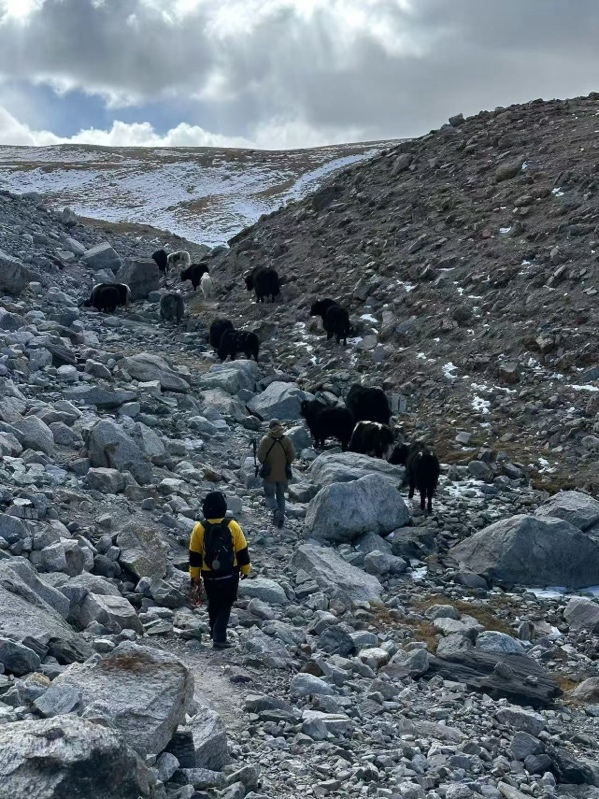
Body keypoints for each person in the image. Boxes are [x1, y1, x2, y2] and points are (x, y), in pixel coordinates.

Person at [188, 491, 251, 650]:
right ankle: (219, 637)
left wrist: (195, 577)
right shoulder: (232, 525)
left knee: (214, 603)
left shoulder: (199, 528)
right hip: (230, 573)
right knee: (226, 604)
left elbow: (194, 556)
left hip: (209, 575)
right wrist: (246, 568)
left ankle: (213, 631)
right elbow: (242, 550)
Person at [257, 418, 296, 528]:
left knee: (269, 495)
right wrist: (286, 462)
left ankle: (275, 511)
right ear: (279, 426)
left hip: (269, 474)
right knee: (281, 496)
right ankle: (281, 519)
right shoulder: (287, 440)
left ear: (270, 428)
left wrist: (266, 462)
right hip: (283, 473)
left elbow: (260, 457)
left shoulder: (265, 440)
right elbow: (292, 455)